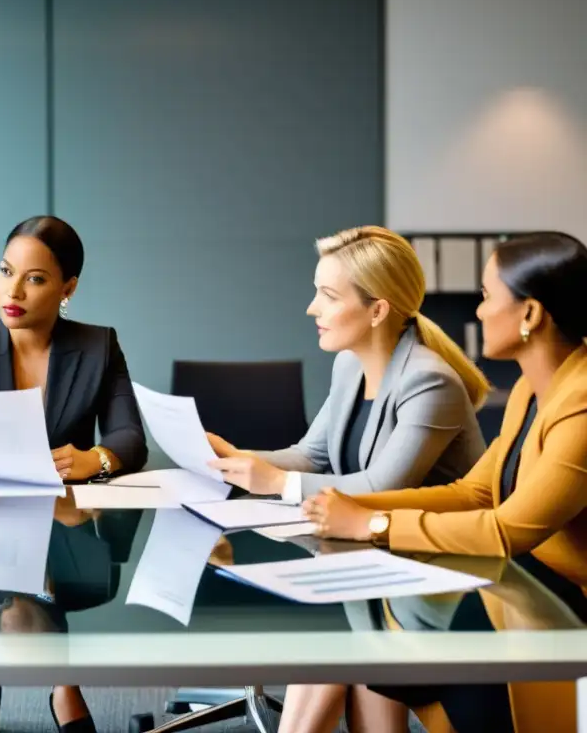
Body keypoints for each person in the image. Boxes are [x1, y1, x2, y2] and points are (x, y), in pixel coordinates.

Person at [205, 226, 489, 733]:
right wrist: (239, 458)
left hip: (444, 581)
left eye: (327, 296)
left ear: (377, 310)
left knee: (333, 643)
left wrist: (275, 483)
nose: (312, 308)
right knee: (340, 644)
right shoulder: (348, 367)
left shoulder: (429, 382)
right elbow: (312, 454)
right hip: (377, 564)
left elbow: (381, 486)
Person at [303, 231, 587, 733]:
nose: (477, 313)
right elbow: (473, 492)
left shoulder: (581, 406)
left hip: (562, 601)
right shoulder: (531, 388)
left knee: (405, 631)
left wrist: (373, 523)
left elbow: (507, 530)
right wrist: (348, 503)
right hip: (522, 580)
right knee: (383, 620)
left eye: (486, 297)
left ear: (530, 314)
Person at [0, 215, 148, 733]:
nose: (12, 290)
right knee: (27, 588)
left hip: (68, 522)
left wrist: (96, 459)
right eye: (5, 271)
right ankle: (64, 687)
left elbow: (130, 438)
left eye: (35, 278)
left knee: (38, 581)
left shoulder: (98, 345)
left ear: (68, 289)